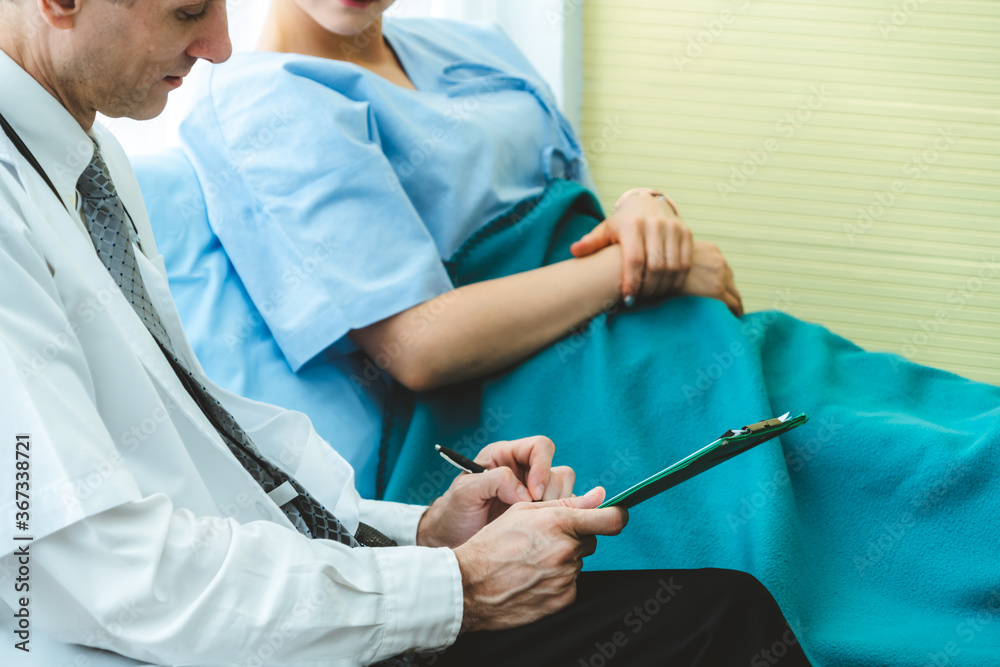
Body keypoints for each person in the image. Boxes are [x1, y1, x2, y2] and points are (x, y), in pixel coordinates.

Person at [0, 0, 808, 665]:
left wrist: (416, 532)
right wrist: (454, 589)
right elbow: (104, 572)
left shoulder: (89, 160)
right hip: (170, 642)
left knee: (727, 603)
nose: (218, 47)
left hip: (262, 599)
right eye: (188, 12)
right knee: (719, 625)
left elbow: (213, 451)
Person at [152, 0, 744, 497]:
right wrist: (636, 271)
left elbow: (574, 208)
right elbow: (418, 346)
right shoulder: (268, 101)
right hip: (528, 402)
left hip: (646, 340)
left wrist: (640, 208)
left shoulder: (472, 44)